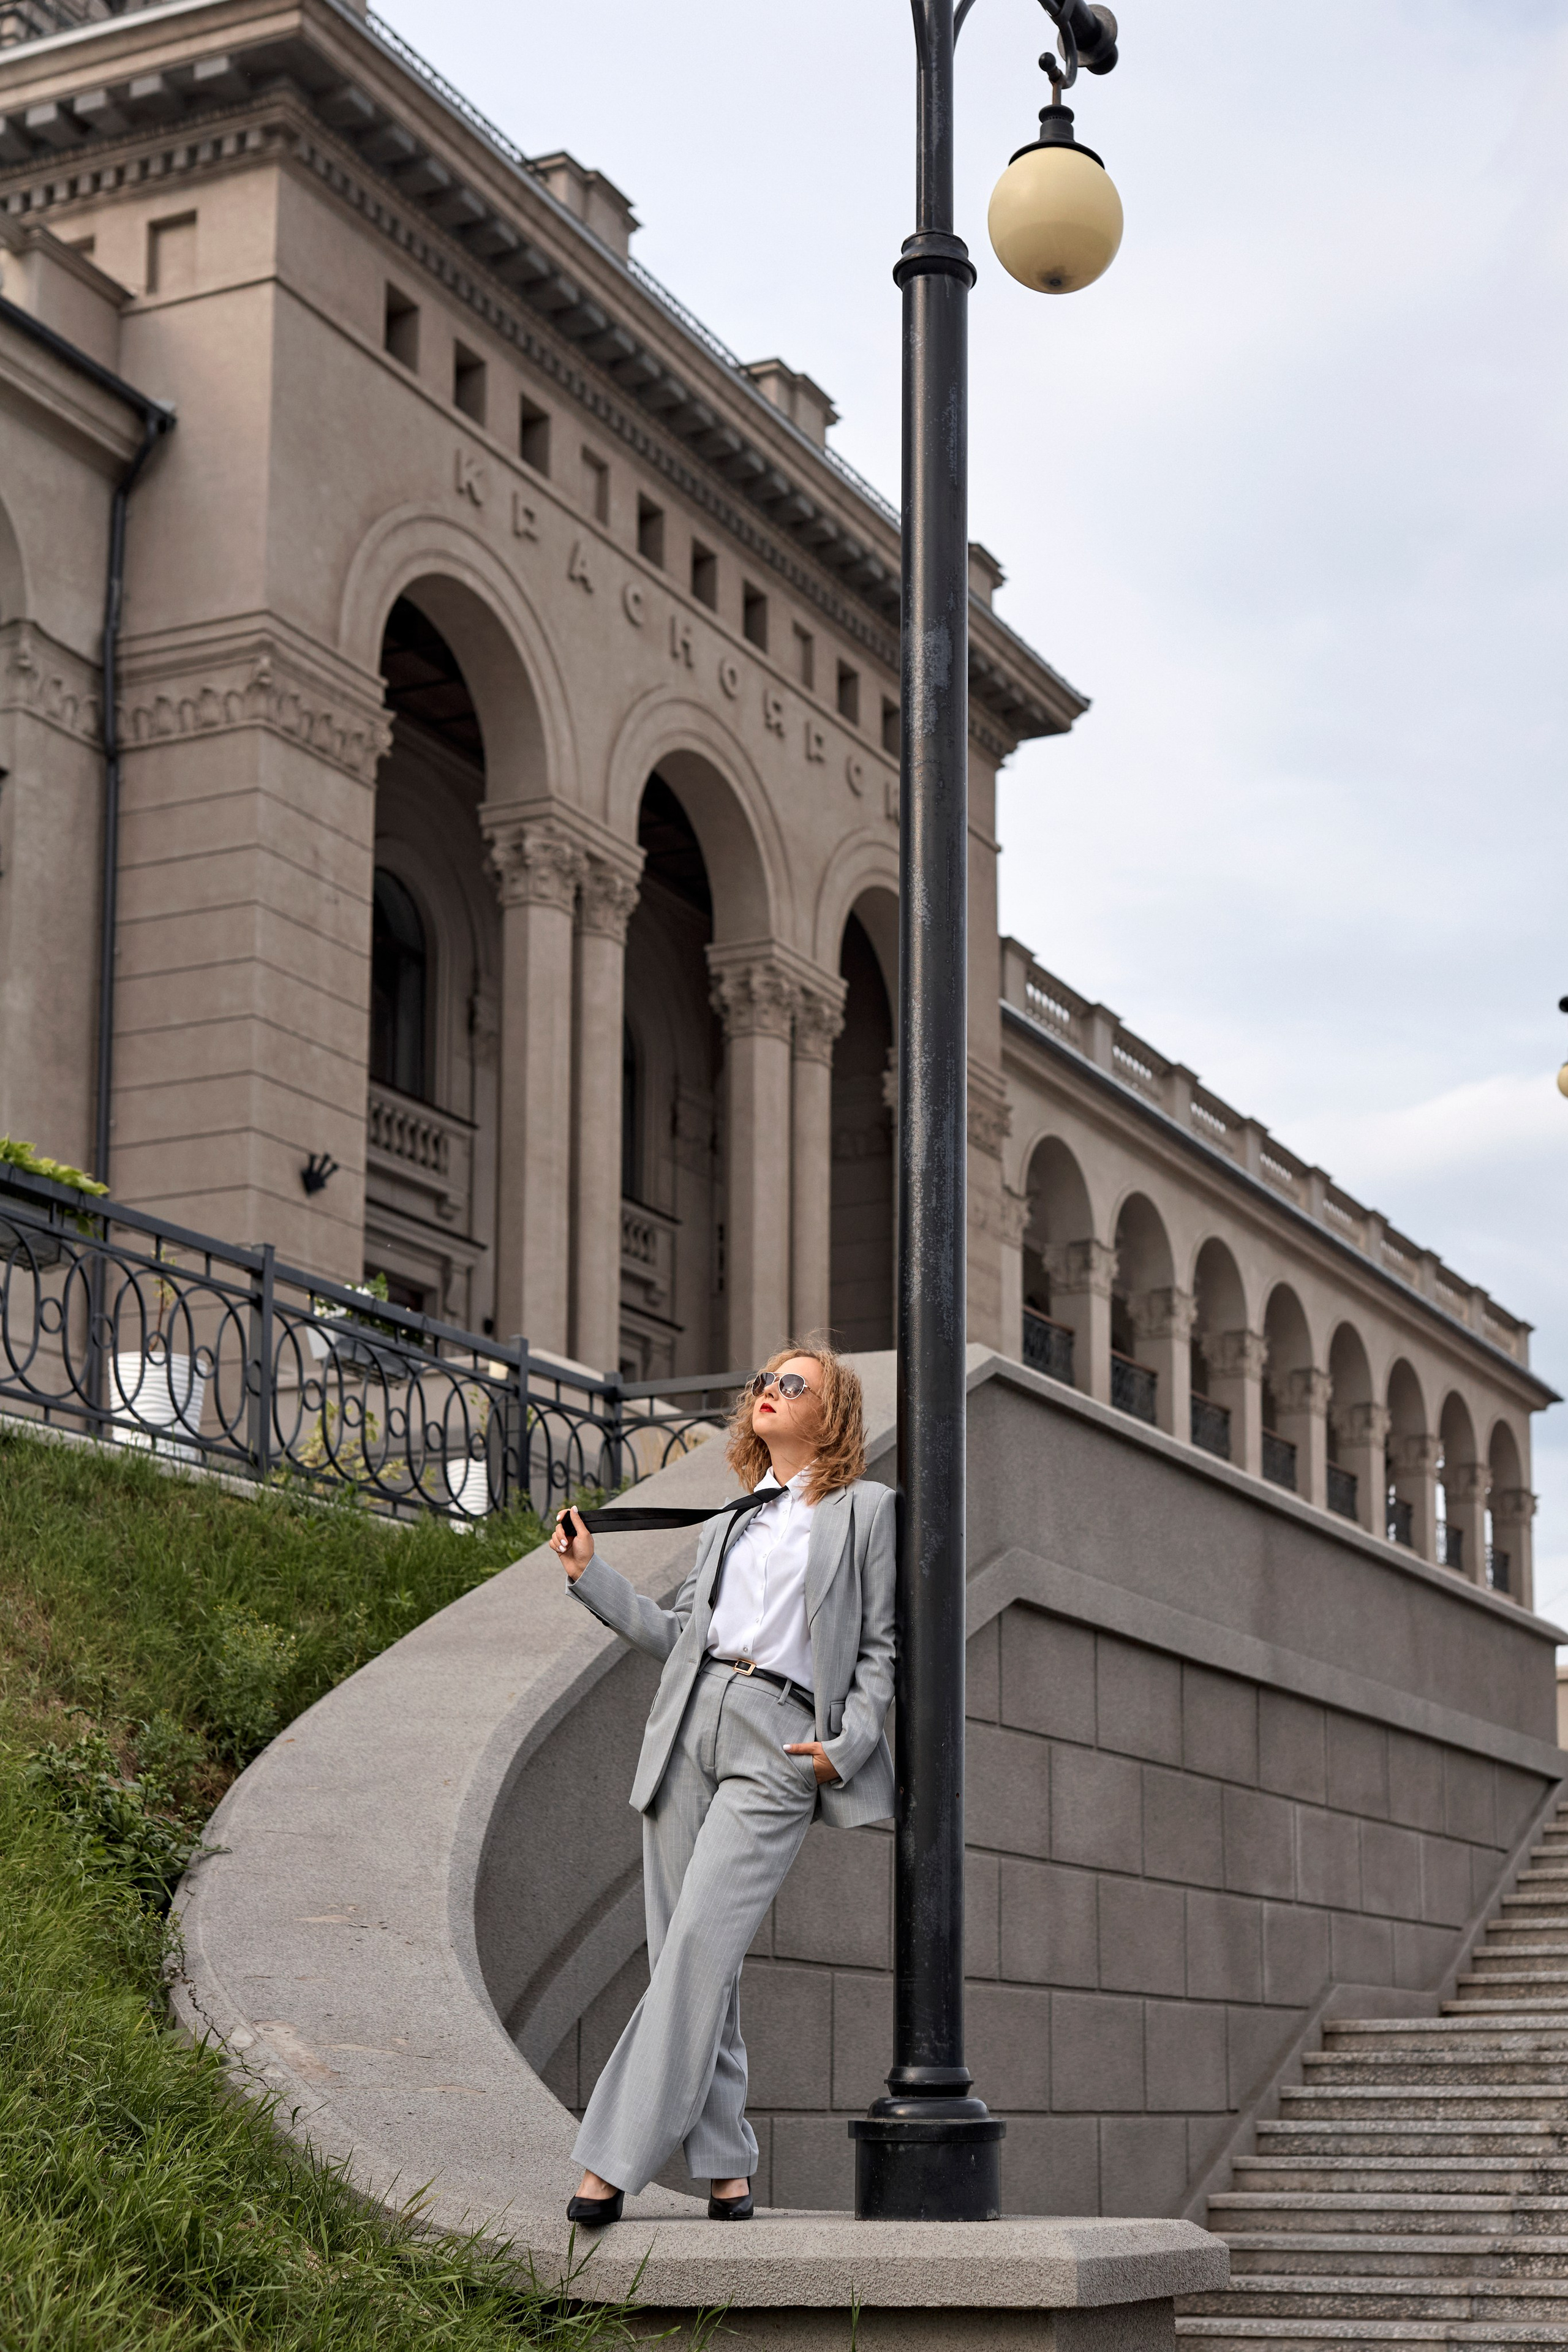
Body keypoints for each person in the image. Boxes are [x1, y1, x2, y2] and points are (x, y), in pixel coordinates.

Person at [551, 1340, 895, 2225]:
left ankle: (610, 2159)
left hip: (777, 1741)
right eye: (763, 1382)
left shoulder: (865, 1513)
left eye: (794, 1384)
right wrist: (594, 1579)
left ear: (834, 1412)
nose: (769, 1392)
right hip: (687, 1726)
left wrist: (845, 1745)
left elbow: (882, 1649)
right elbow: (679, 1637)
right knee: (690, 1961)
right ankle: (728, 2163)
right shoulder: (734, 1519)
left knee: (699, 1943)